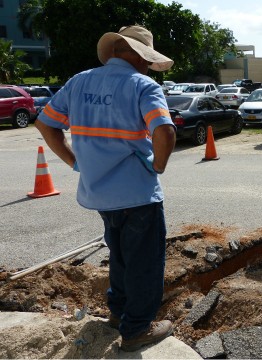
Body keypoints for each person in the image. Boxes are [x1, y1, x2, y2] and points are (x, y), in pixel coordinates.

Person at [35, 25, 176, 352]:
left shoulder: (79, 81)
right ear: (142, 57)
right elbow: (165, 132)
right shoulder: (143, 85)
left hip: (100, 196)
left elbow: (46, 123)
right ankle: (137, 329)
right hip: (138, 196)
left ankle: (118, 315)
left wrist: (75, 162)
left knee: (121, 256)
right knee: (144, 262)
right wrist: (158, 166)